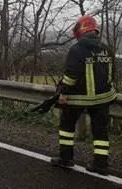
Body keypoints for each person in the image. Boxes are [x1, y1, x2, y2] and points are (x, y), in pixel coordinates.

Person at [50, 15, 117, 175]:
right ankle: (101, 165)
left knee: (66, 126)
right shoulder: (106, 48)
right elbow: (113, 72)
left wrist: (62, 93)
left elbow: (71, 76)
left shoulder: (77, 49)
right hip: (103, 98)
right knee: (100, 131)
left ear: (80, 30)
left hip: (77, 98)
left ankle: (66, 159)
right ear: (95, 30)